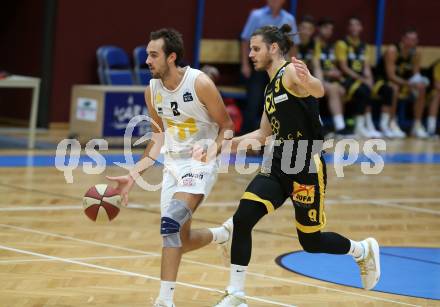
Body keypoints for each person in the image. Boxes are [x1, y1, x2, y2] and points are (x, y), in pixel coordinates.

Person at [214, 24, 381, 306]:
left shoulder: (290, 72)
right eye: (250, 49)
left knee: (311, 242)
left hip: (306, 165)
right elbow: (262, 135)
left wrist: (310, 81)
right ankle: (236, 295)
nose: (251, 54)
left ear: (273, 48)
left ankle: (361, 250)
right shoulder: (269, 90)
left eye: (256, 49)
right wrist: (220, 147)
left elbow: (317, 90)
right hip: (280, 161)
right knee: (243, 220)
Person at [106, 28, 235, 307]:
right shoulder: (151, 91)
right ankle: (222, 234)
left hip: (200, 162)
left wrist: (212, 151)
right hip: (173, 164)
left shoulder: (199, 83)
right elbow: (158, 138)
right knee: (178, 237)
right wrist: (133, 174)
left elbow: (227, 127)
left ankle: (164, 302)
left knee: (170, 222)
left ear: (171, 57)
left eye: (153, 55)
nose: (147, 61)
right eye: (147, 55)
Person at [240, 0, 299, 134]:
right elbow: (245, 39)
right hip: (259, 66)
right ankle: (248, 140)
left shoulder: (289, 19)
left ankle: (277, 139)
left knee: (279, 102)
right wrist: (244, 64)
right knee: (253, 102)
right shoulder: (257, 15)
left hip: (280, 68)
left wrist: (293, 67)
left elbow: (293, 46)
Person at [375, 28, 429, 138]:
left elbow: (415, 75)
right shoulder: (392, 50)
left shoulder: (416, 53)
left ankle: (417, 125)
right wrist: (408, 84)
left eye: (414, 40)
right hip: (382, 82)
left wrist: (420, 82)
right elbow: (391, 76)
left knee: (421, 88)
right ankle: (392, 123)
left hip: (403, 83)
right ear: (403, 39)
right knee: (394, 88)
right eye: (409, 39)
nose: (411, 42)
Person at [335, 16, 384, 138]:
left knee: (368, 89)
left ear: (361, 28)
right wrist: (361, 79)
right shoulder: (342, 44)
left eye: (357, 25)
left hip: (359, 80)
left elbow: (367, 68)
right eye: (351, 25)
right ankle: (359, 126)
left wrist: (370, 81)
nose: (354, 27)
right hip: (345, 79)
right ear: (348, 28)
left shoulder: (364, 46)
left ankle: (367, 125)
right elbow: (343, 67)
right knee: (363, 91)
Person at [313, 18, 351, 136]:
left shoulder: (330, 46)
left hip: (328, 80)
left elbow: (330, 64)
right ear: (319, 29)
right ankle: (339, 126)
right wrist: (328, 74)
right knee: (334, 88)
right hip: (313, 78)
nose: (329, 31)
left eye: (331, 29)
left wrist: (335, 71)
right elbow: (314, 67)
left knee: (341, 90)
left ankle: (337, 124)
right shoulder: (314, 44)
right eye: (326, 28)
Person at [422, 59, 440, 136]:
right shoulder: (438, 64)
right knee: (437, 94)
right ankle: (431, 129)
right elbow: (437, 85)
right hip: (429, 92)